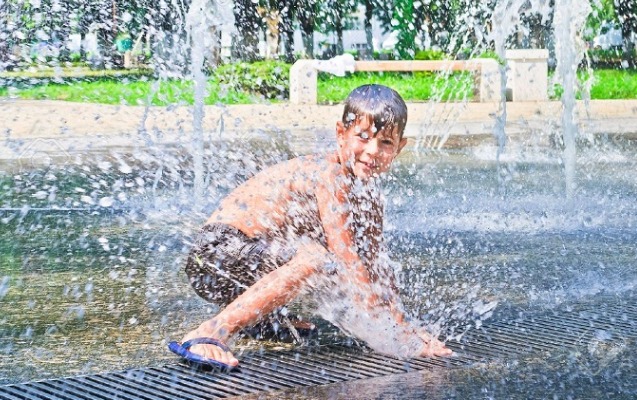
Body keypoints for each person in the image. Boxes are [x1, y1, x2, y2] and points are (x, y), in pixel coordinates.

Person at [168, 84, 452, 368]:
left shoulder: (370, 195)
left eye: (386, 143)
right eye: (363, 137)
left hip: (244, 268)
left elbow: (375, 263)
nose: (373, 151)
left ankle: (259, 319)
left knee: (341, 269)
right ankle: (212, 331)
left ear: (400, 147)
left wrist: (401, 325)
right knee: (319, 260)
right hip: (214, 258)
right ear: (341, 134)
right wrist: (393, 333)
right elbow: (347, 258)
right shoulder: (330, 175)